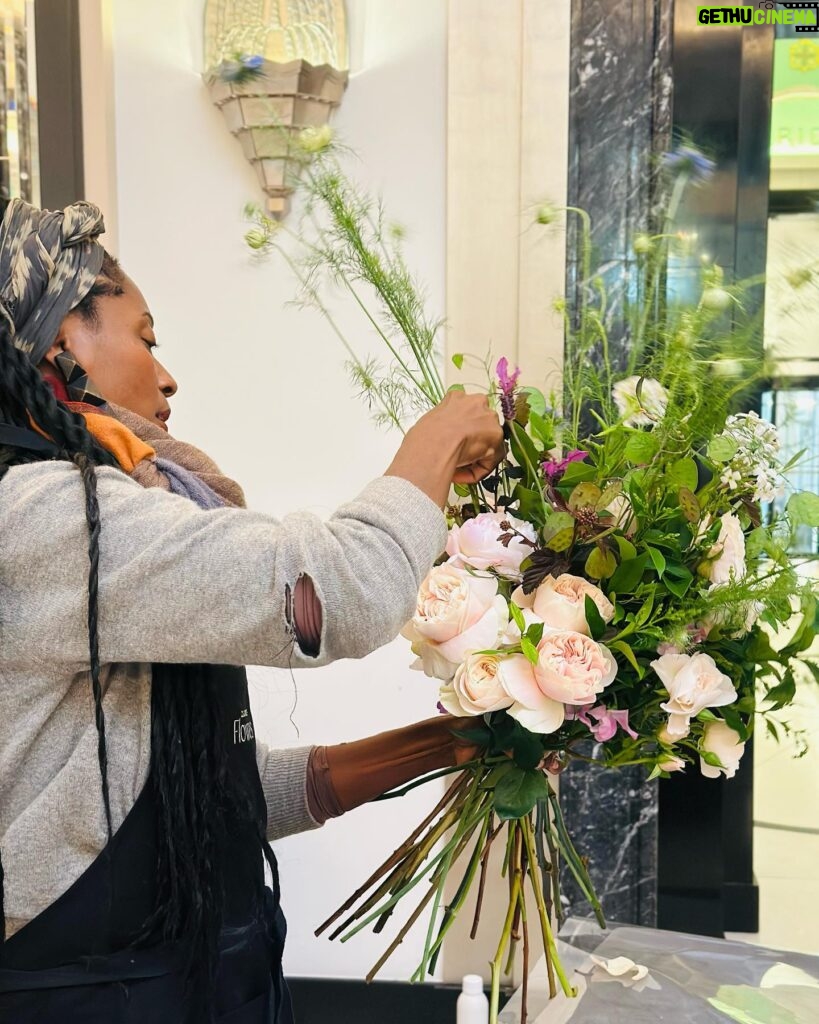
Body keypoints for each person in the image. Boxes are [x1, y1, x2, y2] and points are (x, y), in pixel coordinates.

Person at [0, 199, 504, 1023]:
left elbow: (211, 795)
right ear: (62, 339)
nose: (166, 377)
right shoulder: (46, 516)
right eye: (147, 338)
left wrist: (449, 742)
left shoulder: (111, 508)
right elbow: (334, 592)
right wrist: (436, 444)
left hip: (182, 978)